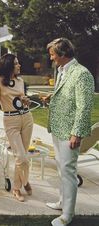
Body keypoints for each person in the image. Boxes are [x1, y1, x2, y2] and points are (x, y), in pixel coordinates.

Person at [46, 38, 94, 226]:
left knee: (68, 171)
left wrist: (77, 133)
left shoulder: (82, 74)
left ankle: (67, 215)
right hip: (57, 129)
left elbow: (84, 107)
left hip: (70, 132)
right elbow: (66, 98)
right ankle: (61, 202)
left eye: (52, 54)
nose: (51, 58)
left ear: (63, 54)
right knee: (61, 169)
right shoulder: (62, 71)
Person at [0, 53, 33, 202]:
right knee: (21, 158)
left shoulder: (20, 81)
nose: (19, 65)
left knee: (22, 157)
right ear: (9, 65)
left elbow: (21, 100)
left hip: (27, 118)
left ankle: (16, 188)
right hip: (11, 121)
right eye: (16, 63)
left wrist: (26, 101)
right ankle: (25, 181)